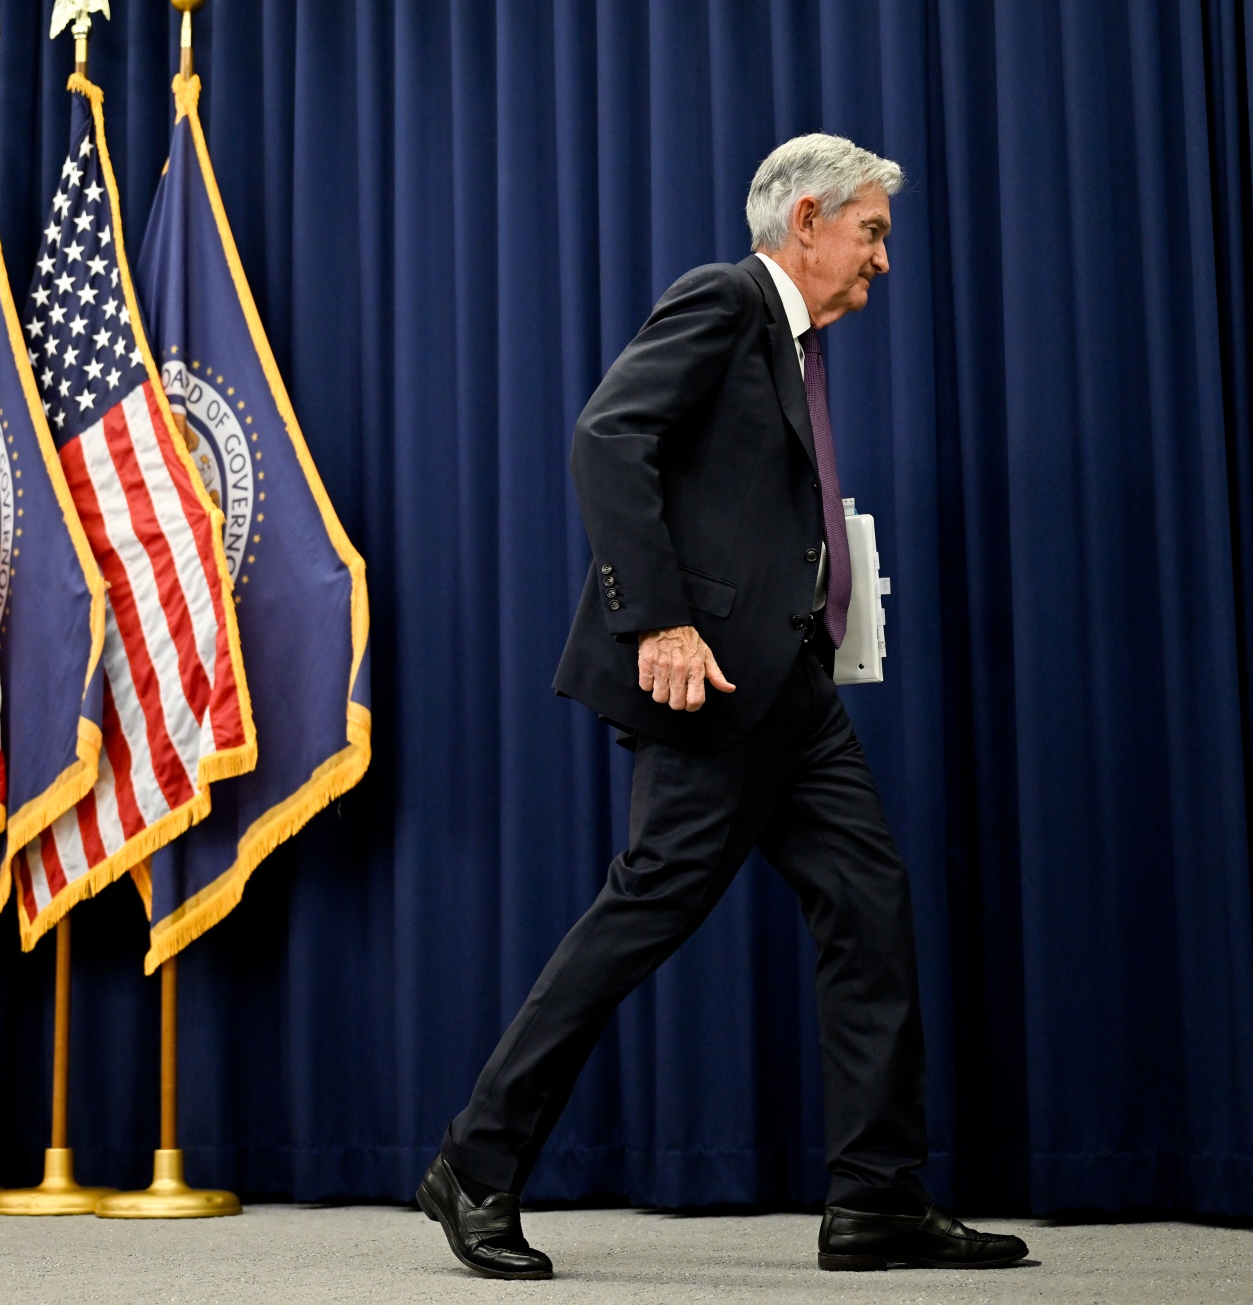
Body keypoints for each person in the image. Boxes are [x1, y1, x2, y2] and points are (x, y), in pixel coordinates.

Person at [415, 134, 1030, 1278]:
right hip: (712, 681)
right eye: (869, 231)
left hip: (792, 686)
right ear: (806, 221)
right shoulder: (725, 299)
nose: (880, 258)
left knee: (868, 906)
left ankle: (875, 1197)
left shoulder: (792, 343)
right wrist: (657, 620)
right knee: (644, 911)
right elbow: (607, 437)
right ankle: (476, 1160)